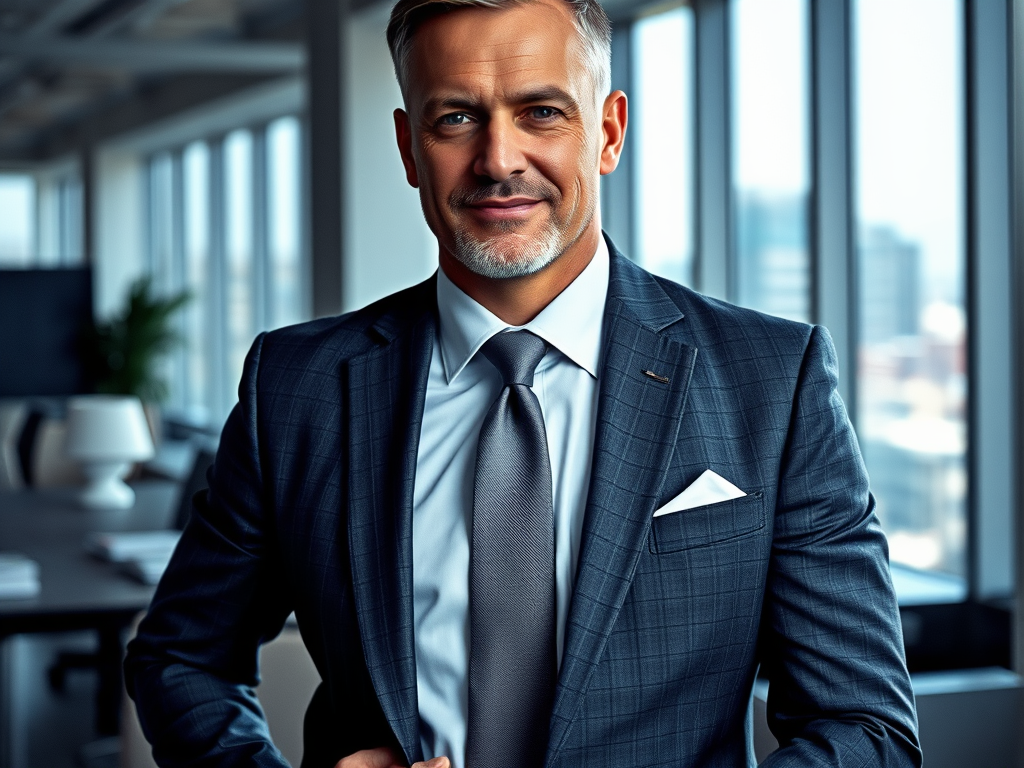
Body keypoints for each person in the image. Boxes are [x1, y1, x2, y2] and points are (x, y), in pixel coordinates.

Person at [125, 0, 923, 765]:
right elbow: (180, 658)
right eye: (457, 117)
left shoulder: (771, 383)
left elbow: (866, 726)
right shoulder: (296, 387)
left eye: (542, 111)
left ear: (607, 132)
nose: (499, 159)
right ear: (409, 149)